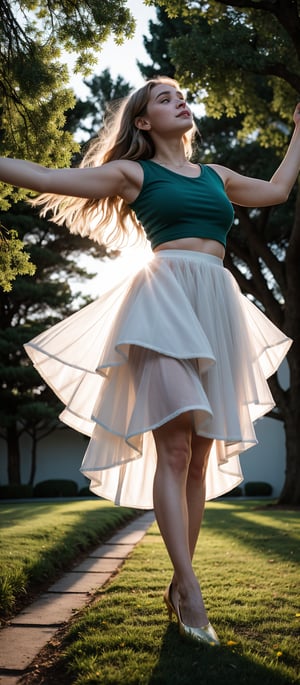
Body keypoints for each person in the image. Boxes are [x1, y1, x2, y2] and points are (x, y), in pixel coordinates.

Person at [1, 76, 299, 646]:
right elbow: (44, 177)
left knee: (198, 458)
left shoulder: (217, 177)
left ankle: (178, 579)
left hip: (217, 311)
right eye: (165, 98)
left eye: (181, 94)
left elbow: (280, 190)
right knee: (178, 446)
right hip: (162, 307)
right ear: (142, 122)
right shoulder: (134, 174)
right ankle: (190, 588)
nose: (179, 100)